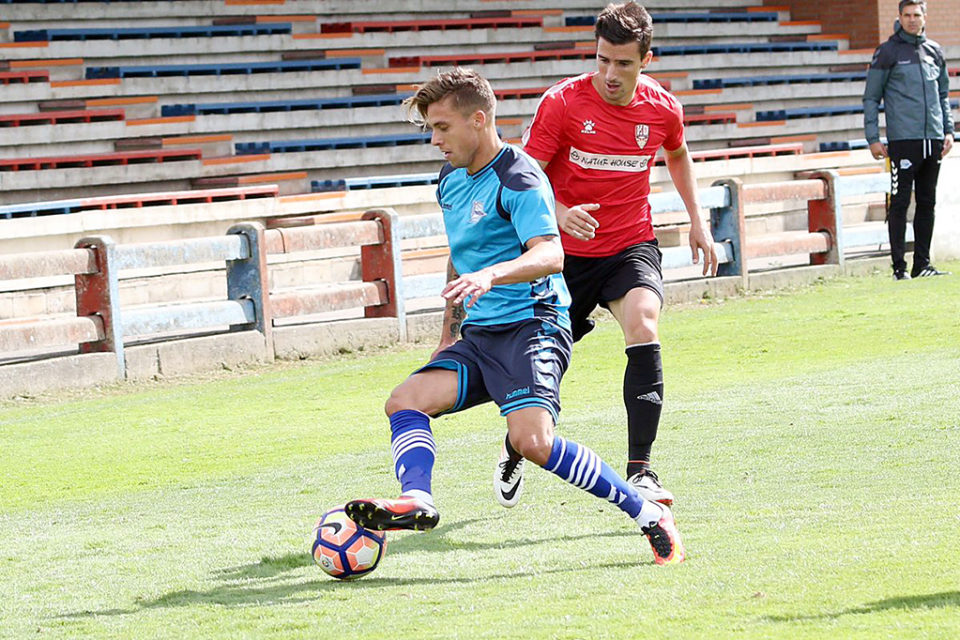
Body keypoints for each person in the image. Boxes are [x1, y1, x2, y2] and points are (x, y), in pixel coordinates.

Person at [344, 67, 685, 565]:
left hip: (533, 326)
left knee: (533, 442)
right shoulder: (450, 179)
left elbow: (550, 254)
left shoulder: (519, 175)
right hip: (481, 334)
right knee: (405, 401)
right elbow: (461, 254)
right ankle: (418, 499)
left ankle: (648, 514)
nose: (435, 140)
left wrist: (491, 276)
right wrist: (448, 331)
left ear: (478, 120)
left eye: (442, 127)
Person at [493, 1, 717, 511]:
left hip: (628, 244)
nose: (610, 74)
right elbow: (524, 177)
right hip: (561, 255)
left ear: (647, 60)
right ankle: (517, 445)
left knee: (644, 323)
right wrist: (562, 208)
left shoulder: (662, 109)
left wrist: (697, 221)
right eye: (602, 60)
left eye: (623, 63)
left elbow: (678, 154)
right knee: (545, 370)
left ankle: (641, 469)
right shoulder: (563, 103)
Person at [863, 0, 954, 280]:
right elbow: (871, 97)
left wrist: (948, 130)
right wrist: (872, 137)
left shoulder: (934, 51)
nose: (912, 20)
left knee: (927, 202)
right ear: (899, 17)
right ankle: (899, 268)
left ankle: (922, 264)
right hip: (903, 140)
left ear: (925, 17)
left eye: (917, 15)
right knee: (900, 202)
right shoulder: (887, 52)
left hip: (933, 139)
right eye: (907, 15)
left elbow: (943, 95)